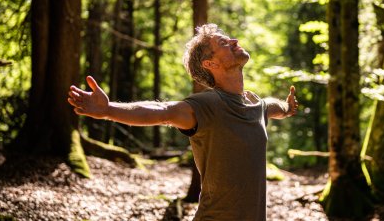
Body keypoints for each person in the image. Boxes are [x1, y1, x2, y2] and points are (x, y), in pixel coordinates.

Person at [68, 23, 299, 220]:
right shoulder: (207, 106)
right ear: (211, 64)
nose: (234, 40)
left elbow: (272, 106)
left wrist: (288, 108)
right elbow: (163, 110)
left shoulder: (255, 104)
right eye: (223, 43)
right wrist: (109, 109)